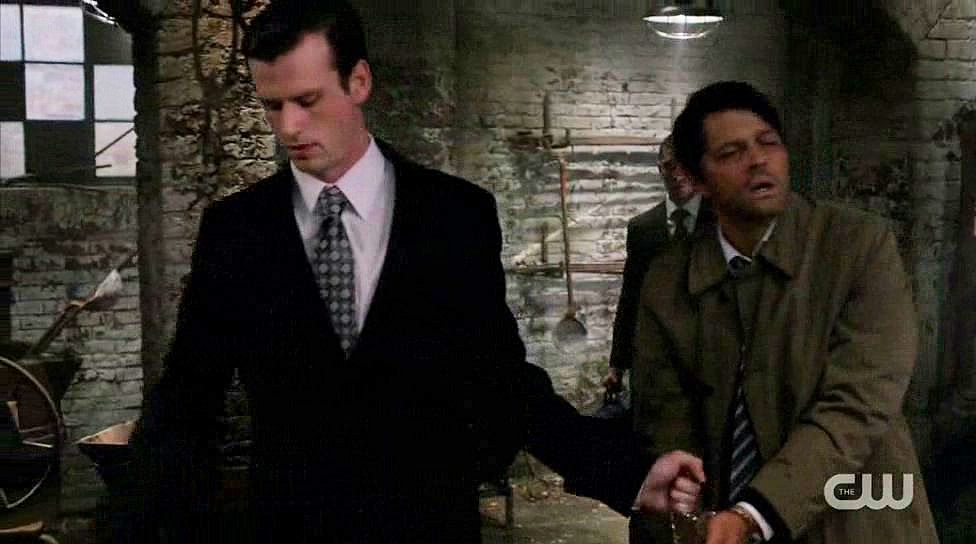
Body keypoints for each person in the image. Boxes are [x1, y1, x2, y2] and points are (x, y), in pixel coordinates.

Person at [123, 2, 704, 542]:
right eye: (273, 106)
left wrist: (625, 474)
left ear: (359, 82)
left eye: (307, 100)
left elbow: (500, 381)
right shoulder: (237, 230)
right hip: (293, 526)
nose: (290, 127)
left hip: (428, 523)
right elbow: (186, 400)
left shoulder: (454, 216)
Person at [631, 81, 938, 544]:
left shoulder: (858, 247)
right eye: (732, 152)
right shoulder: (669, 279)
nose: (759, 160)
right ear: (698, 180)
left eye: (769, 143)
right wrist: (686, 493)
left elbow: (859, 403)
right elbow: (664, 415)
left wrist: (755, 512)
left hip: (856, 516)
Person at [605, 133, 708, 393]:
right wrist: (617, 364)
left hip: (710, 356)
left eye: (684, 165)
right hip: (655, 359)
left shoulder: (722, 220)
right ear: (660, 170)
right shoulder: (643, 228)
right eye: (670, 166)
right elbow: (631, 296)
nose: (677, 174)